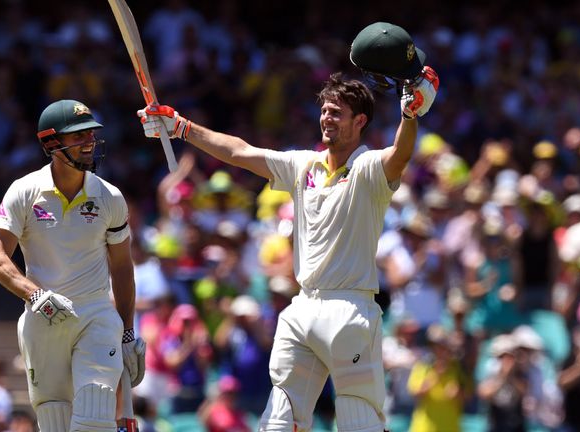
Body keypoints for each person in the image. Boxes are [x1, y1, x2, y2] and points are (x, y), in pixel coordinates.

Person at [137, 22, 439, 432]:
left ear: (360, 122)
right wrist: (182, 127)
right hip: (301, 305)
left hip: (350, 307)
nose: (327, 119)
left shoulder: (368, 168)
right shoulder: (303, 165)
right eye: (324, 111)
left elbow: (401, 154)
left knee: (359, 420)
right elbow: (240, 151)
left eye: (338, 113)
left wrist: (411, 113)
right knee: (278, 419)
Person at [0, 99, 145, 431]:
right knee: (55, 420)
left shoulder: (110, 197)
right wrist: (36, 295)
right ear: (51, 143)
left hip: (96, 315)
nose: (89, 143)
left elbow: (122, 269)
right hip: (45, 318)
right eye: (78, 136)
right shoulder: (24, 192)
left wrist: (127, 332)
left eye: (90, 134)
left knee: (94, 415)